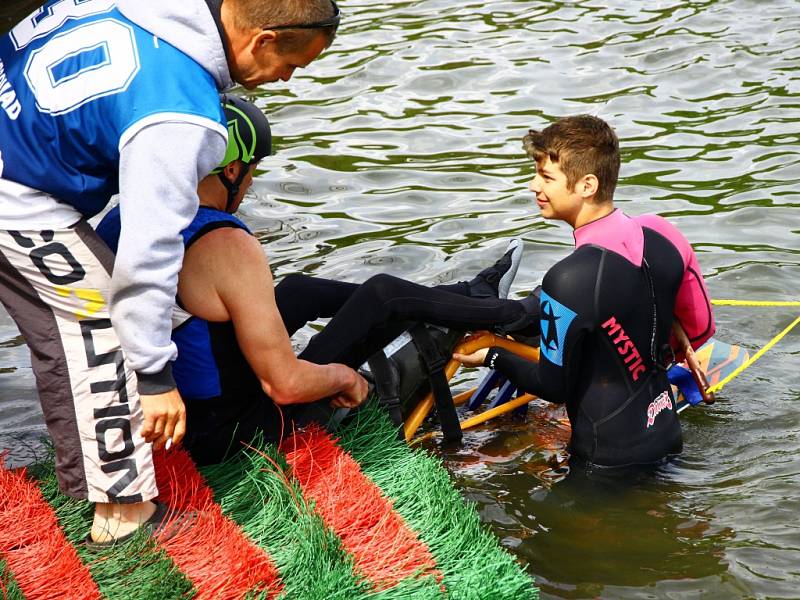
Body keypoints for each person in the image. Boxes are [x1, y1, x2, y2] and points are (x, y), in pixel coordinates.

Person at [0, 0, 341, 545]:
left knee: (61, 330)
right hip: (15, 195)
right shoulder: (182, 112)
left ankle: (92, 468)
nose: (284, 80)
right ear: (266, 39)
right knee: (101, 330)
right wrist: (155, 377)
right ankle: (123, 514)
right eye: (294, 65)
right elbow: (149, 248)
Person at [98, 95, 536, 466]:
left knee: (298, 291)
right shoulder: (225, 243)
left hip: (177, 407)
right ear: (231, 171)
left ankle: (450, 298)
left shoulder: (126, 219)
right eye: (252, 171)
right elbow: (284, 387)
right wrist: (343, 379)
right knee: (382, 293)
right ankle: (509, 313)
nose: (250, 184)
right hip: (234, 435)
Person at [455, 115, 715, 469]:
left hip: (604, 462)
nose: (533, 186)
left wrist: (491, 354)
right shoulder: (662, 233)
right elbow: (701, 328)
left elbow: (553, 385)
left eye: (546, 177)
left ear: (587, 185)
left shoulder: (568, 279)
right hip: (666, 435)